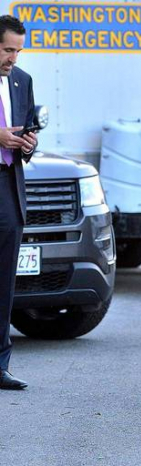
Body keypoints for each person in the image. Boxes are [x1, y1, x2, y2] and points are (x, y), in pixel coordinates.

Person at [0, 15, 38, 390]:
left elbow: (26, 127)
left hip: (8, 186)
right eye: (8, 49)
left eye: (18, 50)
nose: (14, 57)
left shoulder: (21, 80)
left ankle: (0, 365)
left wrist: (29, 143)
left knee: (4, 281)